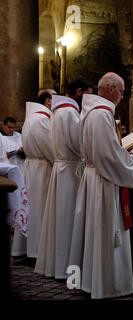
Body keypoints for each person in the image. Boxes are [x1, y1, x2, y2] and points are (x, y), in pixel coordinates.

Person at [69, 72, 133, 299]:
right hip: (103, 181)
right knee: (103, 231)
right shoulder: (102, 116)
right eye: (121, 92)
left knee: (92, 231)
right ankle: (106, 284)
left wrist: (124, 154)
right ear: (110, 88)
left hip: (93, 178)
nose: (122, 97)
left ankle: (91, 280)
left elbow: (104, 151)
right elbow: (110, 157)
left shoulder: (90, 112)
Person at [35, 76, 93, 279]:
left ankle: (58, 265)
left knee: (59, 220)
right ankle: (67, 266)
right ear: (79, 92)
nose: (90, 97)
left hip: (62, 167)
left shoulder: (58, 111)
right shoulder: (70, 112)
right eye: (88, 93)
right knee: (68, 220)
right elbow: (79, 144)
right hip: (70, 171)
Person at [11, 89, 56, 262]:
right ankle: (36, 252)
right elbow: (51, 149)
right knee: (39, 210)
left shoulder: (31, 118)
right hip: (43, 169)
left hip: (31, 167)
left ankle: (24, 248)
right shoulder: (42, 120)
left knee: (30, 209)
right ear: (48, 102)